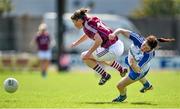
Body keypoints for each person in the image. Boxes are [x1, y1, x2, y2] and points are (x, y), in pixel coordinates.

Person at [108, 28, 175, 102]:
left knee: (119, 86)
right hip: (132, 61)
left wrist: (132, 64)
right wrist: (114, 34)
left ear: (151, 49)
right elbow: (121, 30)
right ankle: (147, 85)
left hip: (140, 71)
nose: (143, 48)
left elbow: (138, 69)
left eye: (146, 48)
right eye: (144, 45)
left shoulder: (149, 55)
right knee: (127, 60)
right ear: (144, 40)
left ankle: (122, 96)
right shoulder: (138, 39)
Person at [70, 8, 128, 85]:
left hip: (112, 49)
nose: (74, 25)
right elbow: (88, 34)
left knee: (84, 56)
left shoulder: (87, 26)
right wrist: (76, 43)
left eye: (74, 22)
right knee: (100, 57)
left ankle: (105, 75)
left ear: (80, 20)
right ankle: (121, 69)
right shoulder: (92, 19)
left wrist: (89, 52)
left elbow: (99, 40)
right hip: (118, 44)